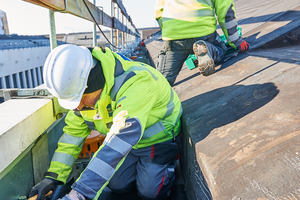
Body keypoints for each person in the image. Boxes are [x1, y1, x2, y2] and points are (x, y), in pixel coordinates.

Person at [28, 44, 182, 200]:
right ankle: (141, 171)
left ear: (95, 84)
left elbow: (122, 136)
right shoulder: (84, 101)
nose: (78, 106)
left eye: (81, 98)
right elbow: (73, 135)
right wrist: (54, 176)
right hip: (128, 145)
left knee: (150, 192)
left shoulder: (136, 82)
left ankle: (164, 168)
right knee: (117, 185)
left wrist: (79, 194)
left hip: (158, 140)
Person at [155, 0, 250, 86]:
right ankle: (208, 49)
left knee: (163, 80)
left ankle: (162, 82)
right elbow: (225, 13)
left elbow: (159, 13)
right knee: (220, 49)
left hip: (174, 39)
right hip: (203, 33)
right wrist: (236, 41)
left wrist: (169, 33)